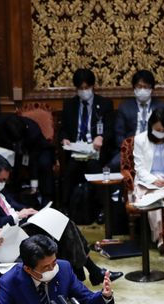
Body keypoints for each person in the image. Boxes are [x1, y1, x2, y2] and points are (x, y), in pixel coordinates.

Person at [0, 155, 122, 284]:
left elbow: (13, 205)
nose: (3, 183)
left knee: (63, 222)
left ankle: (86, 273)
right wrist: (16, 216)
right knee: (63, 226)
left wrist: (30, 212)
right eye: (1, 179)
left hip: (19, 225)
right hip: (6, 237)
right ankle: (90, 272)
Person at [57, 68, 115, 218]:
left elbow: (110, 130)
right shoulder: (69, 105)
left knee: (94, 167)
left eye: (87, 88)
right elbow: (63, 130)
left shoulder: (105, 104)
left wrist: (101, 137)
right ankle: (65, 207)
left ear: (92, 86)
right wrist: (64, 139)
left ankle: (102, 208)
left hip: (95, 150)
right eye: (80, 88)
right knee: (70, 170)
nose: (84, 91)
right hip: (76, 150)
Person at [132, 107, 164, 248]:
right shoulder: (140, 139)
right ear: (151, 127)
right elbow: (139, 168)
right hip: (148, 181)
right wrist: (154, 180)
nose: (160, 133)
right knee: (155, 200)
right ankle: (162, 239)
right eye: (157, 130)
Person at [0, 114, 55, 203]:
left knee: (44, 163)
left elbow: (33, 159)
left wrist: (33, 185)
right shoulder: (0, 124)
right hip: (11, 150)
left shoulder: (33, 131)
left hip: (39, 149)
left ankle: (47, 197)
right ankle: (11, 194)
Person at [112, 69, 164, 171]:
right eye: (139, 86)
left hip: (156, 148)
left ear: (152, 89)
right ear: (134, 88)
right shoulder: (124, 108)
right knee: (114, 164)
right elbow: (119, 136)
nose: (142, 90)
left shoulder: (162, 107)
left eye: (146, 87)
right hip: (130, 150)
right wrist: (130, 148)